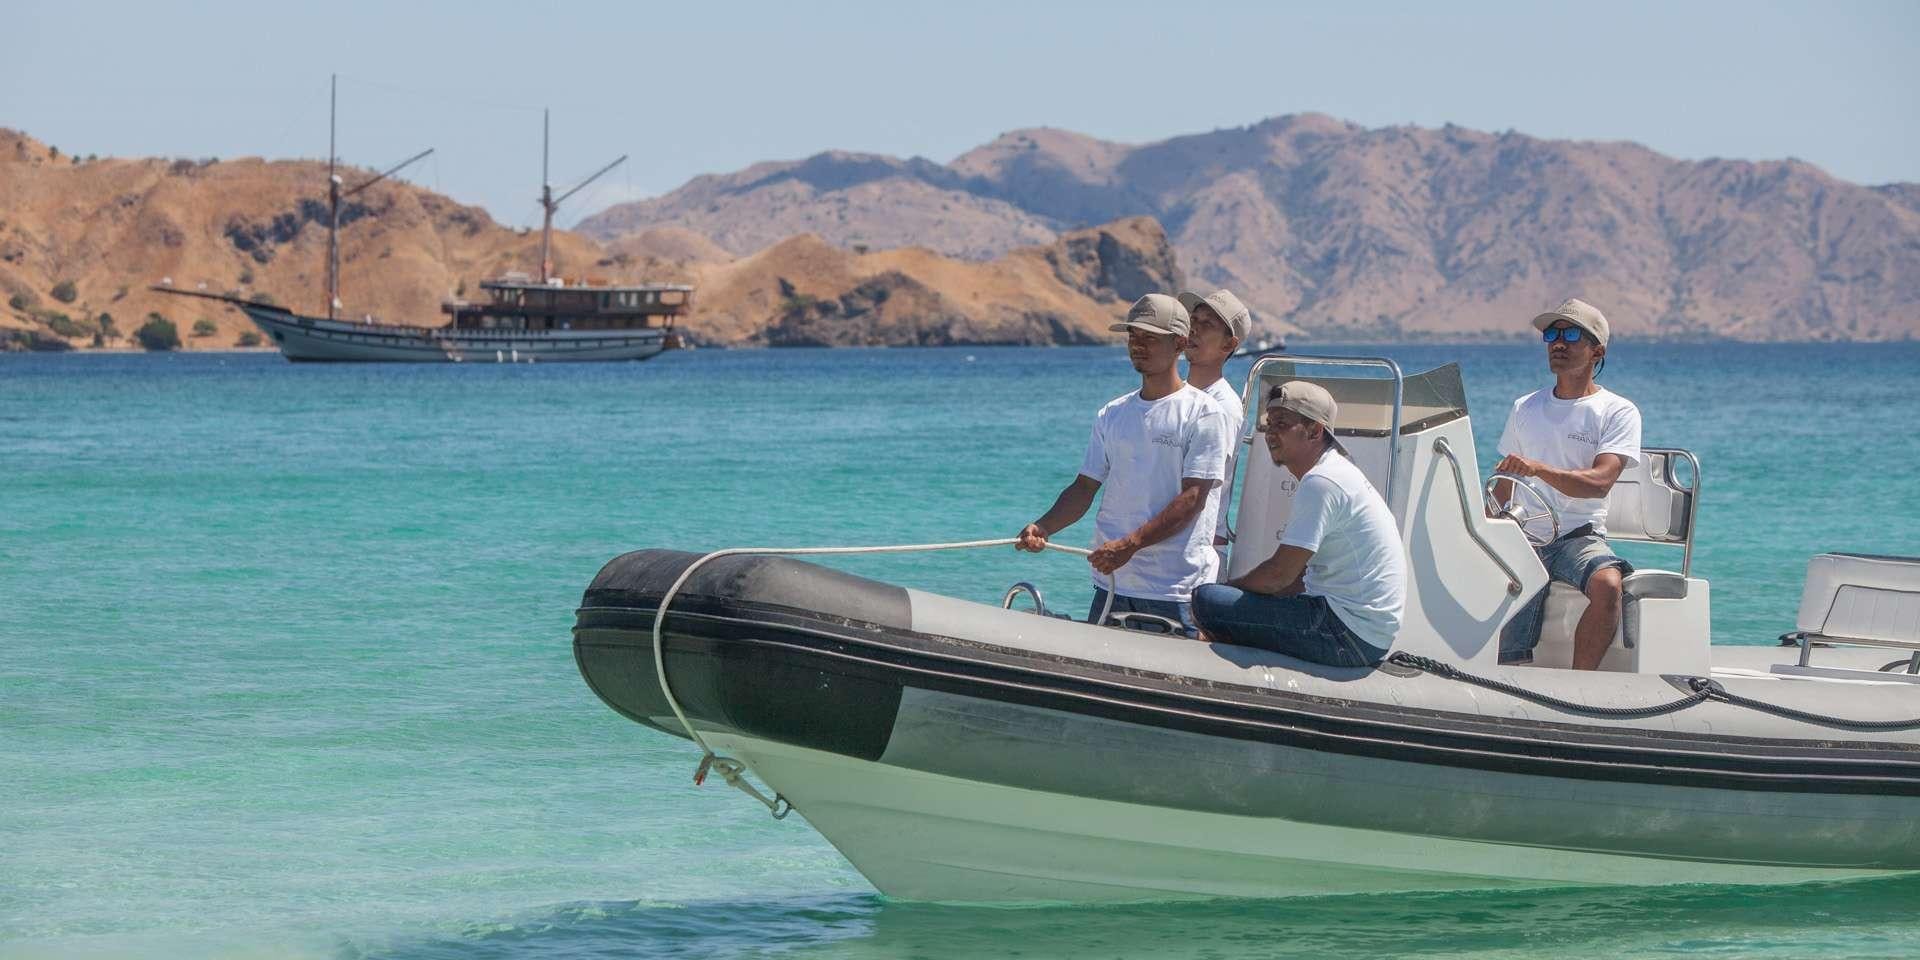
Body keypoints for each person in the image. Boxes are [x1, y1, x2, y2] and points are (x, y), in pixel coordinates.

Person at [1016, 294, 1230, 637]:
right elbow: (1084, 487)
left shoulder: (1204, 413)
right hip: (1113, 582)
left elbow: (1193, 498)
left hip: (1174, 588)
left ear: (1179, 343)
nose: (1137, 345)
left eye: (1149, 337)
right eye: (1133, 336)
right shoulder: (1112, 413)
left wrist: (1129, 545)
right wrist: (1043, 527)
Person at [1191, 382, 1406, 667]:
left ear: (1315, 431)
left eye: (1281, 424)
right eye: (1268, 425)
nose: (1270, 434)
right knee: (1226, 603)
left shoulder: (1322, 482)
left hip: (1347, 634)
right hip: (1366, 633)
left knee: (1206, 600)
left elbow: (1279, 576)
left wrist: (1230, 592)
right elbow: (1293, 580)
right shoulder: (1336, 472)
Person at [1493, 298, 1643, 670]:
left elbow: (1600, 482)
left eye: (1572, 334)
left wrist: (1538, 469)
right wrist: (1485, 533)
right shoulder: (1524, 407)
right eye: (1552, 334)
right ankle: (1504, 679)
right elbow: (1504, 482)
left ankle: (1581, 685)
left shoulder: (1617, 410)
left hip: (1579, 537)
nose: (1558, 342)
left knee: (1608, 585)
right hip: (1524, 537)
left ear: (1598, 350)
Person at [1178, 289, 1251, 573]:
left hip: (1196, 554)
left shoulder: (1223, 407)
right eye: (1192, 320)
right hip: (1171, 546)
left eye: (1207, 325)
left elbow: (1198, 490)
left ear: (1229, 344)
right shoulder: (1180, 398)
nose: (1193, 329)